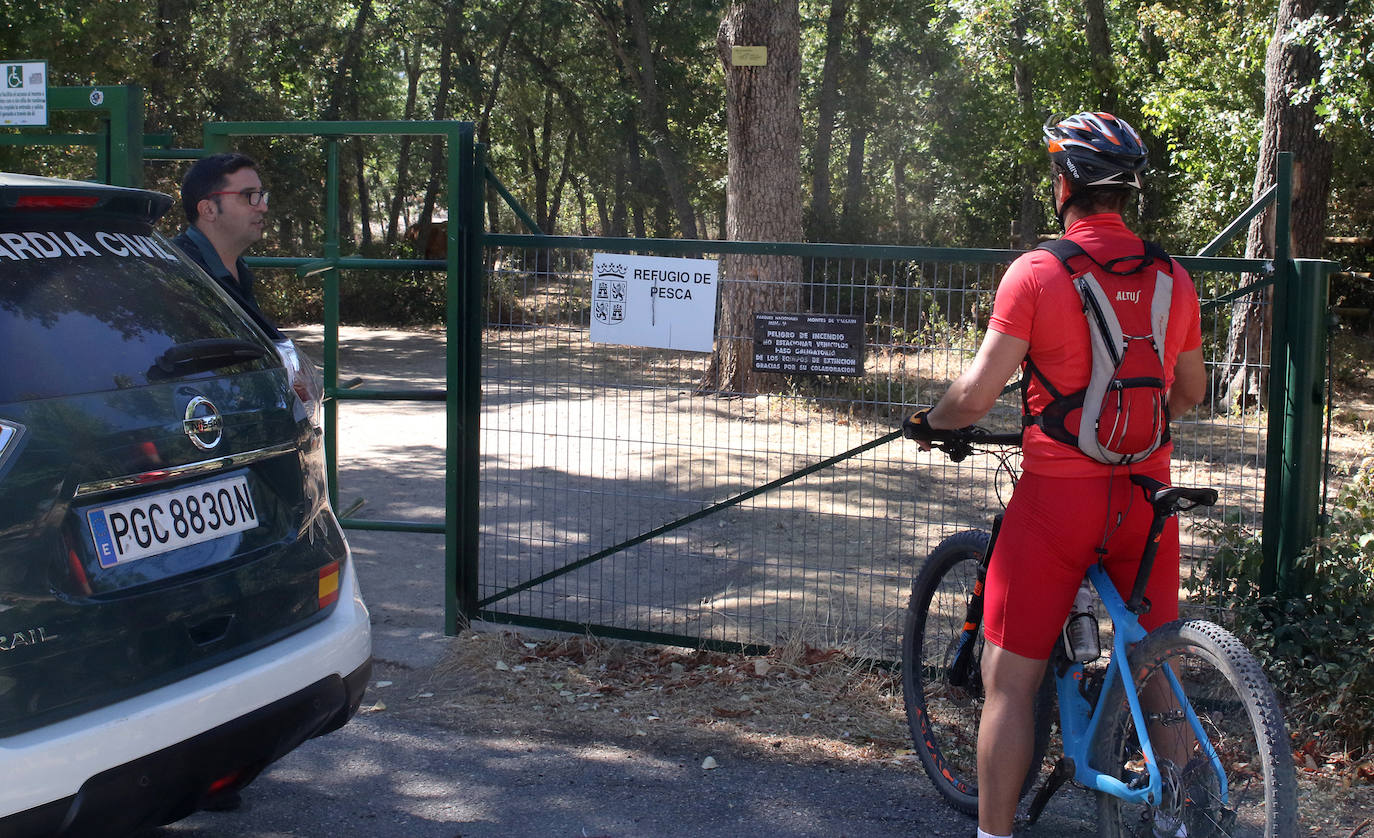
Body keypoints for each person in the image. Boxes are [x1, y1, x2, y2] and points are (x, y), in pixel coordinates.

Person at [902, 112, 1207, 838]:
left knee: (1010, 683)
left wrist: (930, 421)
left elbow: (976, 397)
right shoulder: (1173, 277)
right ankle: (1191, 815)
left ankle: (994, 833)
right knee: (1155, 661)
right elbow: (1189, 394)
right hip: (1146, 500)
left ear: (1064, 183)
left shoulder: (1037, 273)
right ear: (1127, 192)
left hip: (1056, 505)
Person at [173, 152, 282, 337]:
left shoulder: (237, 270)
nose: (263, 207)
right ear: (208, 210)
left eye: (261, 195)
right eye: (249, 195)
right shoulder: (178, 273)